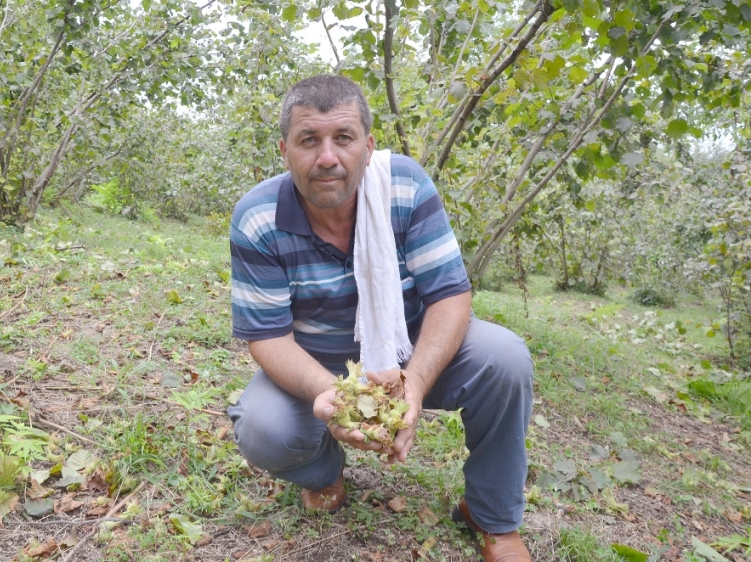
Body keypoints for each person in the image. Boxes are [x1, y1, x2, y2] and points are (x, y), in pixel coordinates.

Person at [227, 74, 533, 562]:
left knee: (505, 359)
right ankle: (325, 474)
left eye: (343, 138)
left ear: (368, 147)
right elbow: (267, 338)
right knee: (263, 427)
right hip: (317, 357)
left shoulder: (404, 186)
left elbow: (451, 297)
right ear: (284, 150)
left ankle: (491, 515)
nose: (327, 157)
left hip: (409, 346)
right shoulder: (258, 217)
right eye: (309, 140)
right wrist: (333, 396)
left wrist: (415, 380)